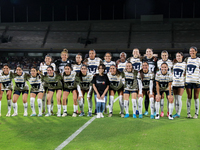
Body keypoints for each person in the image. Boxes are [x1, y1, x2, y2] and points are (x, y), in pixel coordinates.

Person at [185, 46, 200, 119]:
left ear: (196, 52)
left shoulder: (198, 60)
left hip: (196, 81)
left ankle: (196, 113)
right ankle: (188, 113)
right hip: (188, 81)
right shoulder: (187, 59)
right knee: (189, 96)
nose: (192, 52)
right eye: (190, 51)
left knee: (196, 97)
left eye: (193, 51)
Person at [157, 50, 173, 117]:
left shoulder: (170, 62)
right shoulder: (158, 62)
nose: (164, 56)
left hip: (168, 81)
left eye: (165, 55)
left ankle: (169, 112)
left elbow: (171, 71)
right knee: (161, 96)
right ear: (161, 56)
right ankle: (162, 111)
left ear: (167, 55)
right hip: (161, 81)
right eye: (163, 55)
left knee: (168, 97)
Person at [142, 48, 157, 116]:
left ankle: (154, 110)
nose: (148, 53)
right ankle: (146, 110)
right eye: (147, 51)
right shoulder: (143, 60)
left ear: (152, 52)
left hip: (153, 80)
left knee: (152, 95)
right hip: (146, 80)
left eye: (150, 51)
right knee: (146, 96)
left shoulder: (155, 60)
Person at [172, 52, 186, 118]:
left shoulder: (184, 64)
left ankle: (179, 113)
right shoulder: (174, 64)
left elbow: (186, 73)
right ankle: (176, 112)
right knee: (175, 98)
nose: (178, 57)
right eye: (177, 56)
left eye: (179, 56)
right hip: (174, 83)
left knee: (179, 98)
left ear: (182, 56)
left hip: (181, 83)